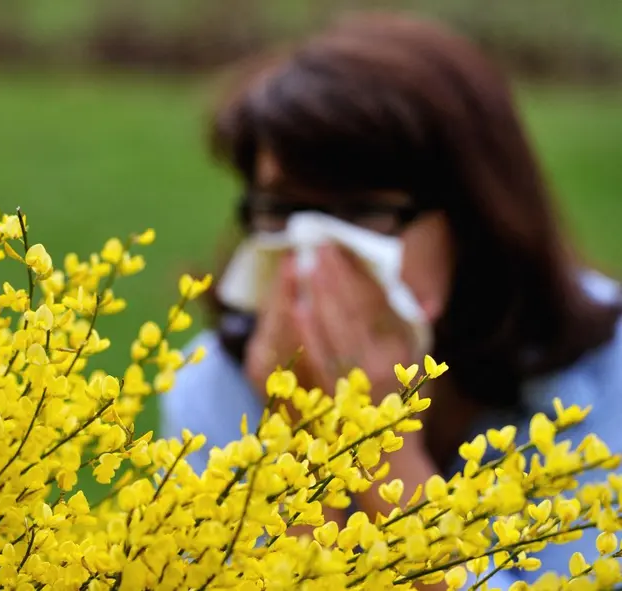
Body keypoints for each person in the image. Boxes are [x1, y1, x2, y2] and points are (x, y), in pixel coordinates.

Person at [159, 11, 622, 588]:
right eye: (281, 209)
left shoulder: (609, 375)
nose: (314, 249)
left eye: (362, 211)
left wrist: (377, 441)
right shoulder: (218, 385)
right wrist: (300, 440)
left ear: (474, 218)